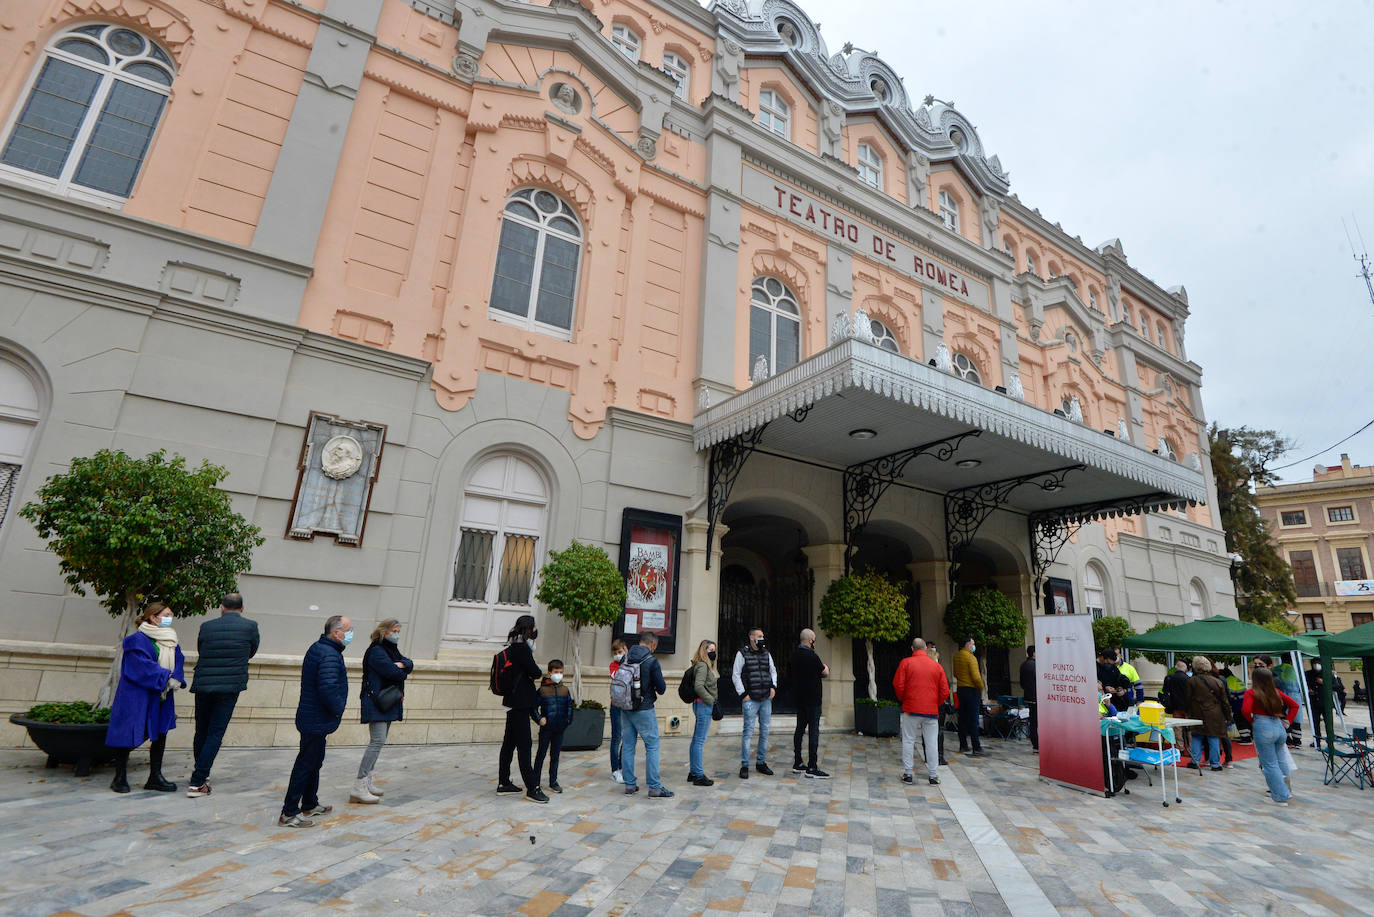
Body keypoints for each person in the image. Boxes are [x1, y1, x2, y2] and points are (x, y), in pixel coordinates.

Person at [107, 602, 187, 794]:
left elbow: (179, 660)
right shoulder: (136, 640)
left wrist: (176, 677)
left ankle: (155, 776)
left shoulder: (171, 640)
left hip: (161, 695)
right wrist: (166, 677)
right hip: (136, 695)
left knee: (160, 733)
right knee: (128, 732)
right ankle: (119, 777)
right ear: (153, 617)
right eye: (166, 614)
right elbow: (139, 666)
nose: (170, 618)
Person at [280, 615, 351, 828]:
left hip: (314, 716)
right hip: (316, 717)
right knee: (306, 764)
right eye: (348, 630)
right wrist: (338, 708)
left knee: (314, 761)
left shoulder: (321, 648)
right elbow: (328, 687)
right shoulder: (328, 653)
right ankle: (289, 812)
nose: (350, 634)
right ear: (336, 633)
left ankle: (309, 803)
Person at [187, 593, 258, 798]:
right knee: (215, 732)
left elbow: (202, 649)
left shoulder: (207, 626)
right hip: (229, 686)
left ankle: (201, 773)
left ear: (221, 607)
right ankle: (198, 780)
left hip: (203, 684)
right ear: (242, 609)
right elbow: (251, 651)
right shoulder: (250, 626)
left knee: (201, 730)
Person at [352, 618, 413, 804]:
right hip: (376, 702)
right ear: (384, 631)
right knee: (377, 741)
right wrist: (401, 667)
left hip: (386, 702)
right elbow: (393, 672)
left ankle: (368, 780)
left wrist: (402, 664)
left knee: (380, 741)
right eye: (394, 630)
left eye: (399, 630)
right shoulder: (377, 650)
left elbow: (408, 663)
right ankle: (359, 785)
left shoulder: (390, 650)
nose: (397, 634)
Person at [496, 614, 547, 804]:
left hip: (512, 702)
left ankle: (503, 782)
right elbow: (535, 671)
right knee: (524, 746)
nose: (536, 630)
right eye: (534, 627)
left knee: (509, 743)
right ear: (529, 628)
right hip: (520, 703)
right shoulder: (522, 649)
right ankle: (532, 788)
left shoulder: (513, 646)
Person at [621, 632, 671, 797]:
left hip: (625, 707)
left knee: (628, 745)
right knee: (652, 745)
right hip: (644, 708)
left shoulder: (625, 658)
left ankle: (629, 785)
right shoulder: (651, 661)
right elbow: (662, 688)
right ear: (653, 645)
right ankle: (655, 787)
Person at [893, 637, 950, 785]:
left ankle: (908, 773)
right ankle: (933, 775)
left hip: (911, 708)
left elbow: (898, 685)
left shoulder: (906, 663)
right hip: (930, 710)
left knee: (908, 740)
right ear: (926, 649)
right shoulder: (936, 666)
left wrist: (904, 699)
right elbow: (945, 690)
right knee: (931, 742)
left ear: (912, 649)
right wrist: (935, 703)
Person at [1243, 666, 1299, 806]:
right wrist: (1288, 721)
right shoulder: (1277, 692)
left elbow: (1245, 710)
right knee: (1281, 760)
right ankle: (1286, 791)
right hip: (1279, 726)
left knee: (1269, 764)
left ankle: (1280, 796)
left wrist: (1252, 721)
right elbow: (1295, 705)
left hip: (1263, 726)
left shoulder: (1251, 693)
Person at [733, 627, 778, 777]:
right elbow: (736, 674)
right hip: (750, 699)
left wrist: (773, 686)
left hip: (766, 698)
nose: (762, 638)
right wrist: (743, 694)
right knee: (748, 732)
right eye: (759, 636)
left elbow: (772, 671)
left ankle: (761, 762)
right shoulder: (742, 653)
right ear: (752, 637)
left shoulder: (766, 653)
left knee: (765, 731)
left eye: (763, 635)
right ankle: (745, 765)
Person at [789, 628, 830, 778]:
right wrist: (826, 668)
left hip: (800, 698)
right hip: (813, 700)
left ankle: (798, 762)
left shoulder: (794, 655)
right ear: (810, 641)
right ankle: (812, 766)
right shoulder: (812, 656)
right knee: (814, 730)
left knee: (800, 728)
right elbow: (823, 671)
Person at [1184, 656, 1231, 772]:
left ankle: (1195, 761)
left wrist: (1187, 711)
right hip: (1215, 713)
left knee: (1196, 736)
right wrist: (1228, 716)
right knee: (1213, 737)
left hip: (1197, 712)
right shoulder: (1218, 681)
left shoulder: (1191, 681)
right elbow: (1225, 701)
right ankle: (1215, 764)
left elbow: (1187, 699)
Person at [534, 659, 573, 793]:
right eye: (556, 672)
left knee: (555, 755)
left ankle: (553, 781)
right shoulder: (542, 690)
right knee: (541, 754)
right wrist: (539, 719)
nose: (559, 674)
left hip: (559, 728)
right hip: (546, 728)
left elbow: (569, 706)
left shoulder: (565, 689)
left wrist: (567, 720)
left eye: (561, 672)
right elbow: (533, 707)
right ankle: (535, 782)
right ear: (550, 673)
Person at [687, 639, 719, 786]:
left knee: (696, 740)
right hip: (703, 706)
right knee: (699, 741)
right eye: (710, 650)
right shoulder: (702, 666)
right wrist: (711, 700)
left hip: (701, 705)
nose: (713, 652)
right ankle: (698, 775)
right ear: (703, 651)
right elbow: (699, 687)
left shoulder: (703, 665)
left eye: (714, 650)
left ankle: (693, 772)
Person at [952, 636, 984, 757]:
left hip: (961, 688)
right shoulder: (971, 657)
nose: (973, 646)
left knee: (962, 718)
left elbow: (955, 673)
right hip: (971, 689)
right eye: (972, 644)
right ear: (967, 645)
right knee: (973, 719)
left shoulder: (956, 656)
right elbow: (976, 677)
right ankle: (976, 746)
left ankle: (963, 744)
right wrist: (981, 687)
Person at [608, 639, 628, 784]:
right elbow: (617, 677)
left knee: (626, 737)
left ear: (625, 650)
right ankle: (615, 769)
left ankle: (623, 767)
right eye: (615, 653)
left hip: (627, 705)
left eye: (620, 652)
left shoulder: (631, 664)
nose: (617, 655)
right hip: (615, 705)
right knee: (616, 737)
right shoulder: (613, 665)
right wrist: (622, 663)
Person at [1019, 645, 1037, 751]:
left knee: (1032, 720)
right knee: (1036, 721)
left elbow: (1021, 683)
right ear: (1034, 653)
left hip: (1028, 696)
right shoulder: (1035, 665)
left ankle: (1034, 742)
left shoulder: (1023, 665)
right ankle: (1037, 743)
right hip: (1036, 696)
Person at [1306, 662, 1326, 746]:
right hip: (1314, 702)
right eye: (1315, 663)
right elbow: (1304, 684)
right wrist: (1309, 689)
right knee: (1315, 722)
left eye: (1319, 663)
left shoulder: (1326, 673)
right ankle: (1317, 740)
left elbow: (1336, 686)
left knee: (1328, 722)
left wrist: (1323, 683)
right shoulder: (1308, 674)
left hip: (1325, 702)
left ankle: (1330, 739)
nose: (1317, 665)